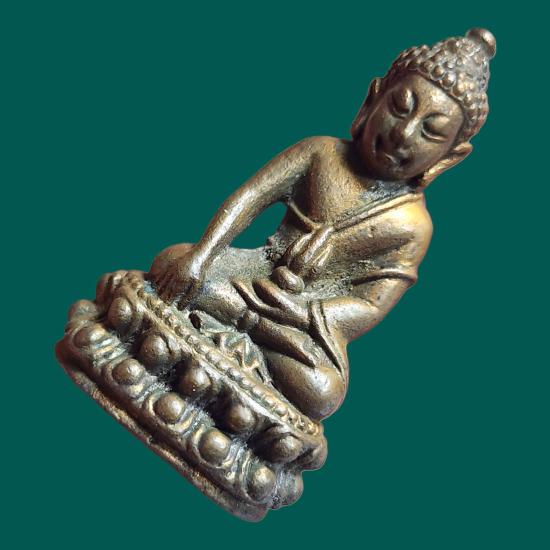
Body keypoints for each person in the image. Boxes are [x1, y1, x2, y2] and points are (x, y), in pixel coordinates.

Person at [150, 28, 496, 421]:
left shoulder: (412, 225)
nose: (403, 133)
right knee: (171, 261)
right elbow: (249, 199)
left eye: (430, 132)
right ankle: (238, 359)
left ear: (449, 157)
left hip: (298, 324)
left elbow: (369, 305)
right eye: (400, 107)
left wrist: (302, 313)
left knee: (322, 390)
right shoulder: (320, 152)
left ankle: (224, 341)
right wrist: (201, 257)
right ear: (372, 99)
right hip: (250, 275)